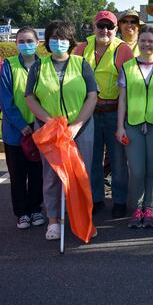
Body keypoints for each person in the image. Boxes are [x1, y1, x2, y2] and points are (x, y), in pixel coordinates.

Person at [25, 20, 98, 240]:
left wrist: (76, 125)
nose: (59, 43)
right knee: (52, 177)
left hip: (80, 129)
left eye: (63, 38)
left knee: (80, 176)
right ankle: (54, 221)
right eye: (54, 39)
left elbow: (92, 95)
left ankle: (83, 219)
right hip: (50, 131)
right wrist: (49, 122)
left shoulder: (81, 63)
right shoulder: (38, 66)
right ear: (47, 42)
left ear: (71, 41)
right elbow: (30, 97)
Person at [74, 10, 134, 218]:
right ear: (94, 27)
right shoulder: (81, 48)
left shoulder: (124, 50)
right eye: (101, 26)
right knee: (92, 160)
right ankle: (96, 198)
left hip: (114, 112)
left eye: (109, 26)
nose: (105, 30)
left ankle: (119, 201)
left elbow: (130, 85)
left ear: (116, 29)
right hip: (89, 113)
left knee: (118, 160)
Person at [116, 26, 153, 228]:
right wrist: (120, 127)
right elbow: (122, 101)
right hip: (133, 125)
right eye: (143, 40)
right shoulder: (127, 67)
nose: (147, 44)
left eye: (151, 41)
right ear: (138, 42)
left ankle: (149, 208)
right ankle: (136, 208)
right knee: (136, 170)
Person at [0, 27, 44, 229]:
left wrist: (40, 123)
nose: (26, 45)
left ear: (38, 42)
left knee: (38, 173)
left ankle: (35, 209)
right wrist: (22, 125)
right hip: (15, 133)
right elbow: (5, 100)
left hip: (41, 130)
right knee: (17, 174)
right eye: (21, 41)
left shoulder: (44, 65)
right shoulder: (9, 65)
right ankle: (22, 212)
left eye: (29, 41)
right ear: (16, 44)